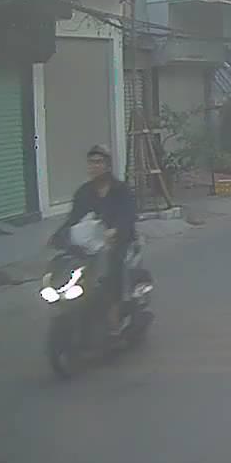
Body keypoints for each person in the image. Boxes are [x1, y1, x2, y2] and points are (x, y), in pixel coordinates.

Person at [51, 144, 137, 336]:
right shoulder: (83, 192)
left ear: (107, 166)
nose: (94, 166)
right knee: (66, 263)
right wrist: (59, 235)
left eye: (99, 162)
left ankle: (115, 313)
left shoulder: (121, 190)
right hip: (90, 244)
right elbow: (73, 218)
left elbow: (129, 215)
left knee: (113, 267)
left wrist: (115, 230)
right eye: (91, 162)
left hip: (119, 242)